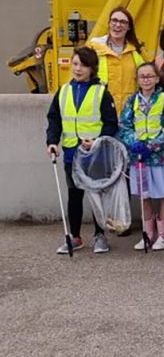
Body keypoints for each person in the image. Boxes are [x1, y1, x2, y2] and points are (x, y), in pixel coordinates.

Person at [46, 46, 119, 255]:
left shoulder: (101, 92)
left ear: (92, 68)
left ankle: (100, 236)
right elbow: (54, 119)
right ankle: (75, 236)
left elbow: (111, 123)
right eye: (75, 64)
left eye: (84, 65)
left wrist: (96, 141)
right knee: (74, 196)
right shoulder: (63, 91)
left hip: (95, 154)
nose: (78, 69)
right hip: (71, 152)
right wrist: (52, 141)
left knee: (97, 195)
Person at [119, 62, 164, 251]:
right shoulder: (131, 101)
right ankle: (147, 234)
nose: (146, 80)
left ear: (156, 79)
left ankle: (162, 235)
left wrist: (151, 146)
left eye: (149, 76)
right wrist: (134, 143)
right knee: (144, 195)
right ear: (137, 80)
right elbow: (124, 125)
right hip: (139, 157)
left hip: (161, 157)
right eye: (142, 76)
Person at [87, 6, 146, 112]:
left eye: (123, 22)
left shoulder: (137, 50)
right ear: (109, 23)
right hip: (101, 109)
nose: (118, 25)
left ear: (129, 27)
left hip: (129, 112)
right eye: (114, 20)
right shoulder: (94, 48)